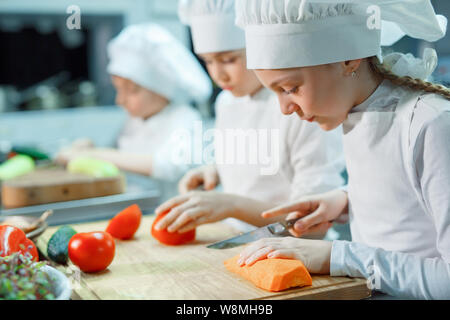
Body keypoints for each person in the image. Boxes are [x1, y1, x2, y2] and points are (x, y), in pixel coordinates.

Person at [234, 0, 450, 299]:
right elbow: (412, 202)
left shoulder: (432, 124)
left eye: (290, 88)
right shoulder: (353, 110)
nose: (284, 109)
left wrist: (337, 257)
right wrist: (347, 201)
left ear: (348, 60)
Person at [154, 0, 345, 236]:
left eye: (229, 59)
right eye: (207, 61)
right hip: (238, 238)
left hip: (298, 252)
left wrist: (232, 205)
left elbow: (313, 227)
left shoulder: (303, 108)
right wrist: (216, 170)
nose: (218, 75)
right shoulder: (227, 101)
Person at [56, 23, 212, 183]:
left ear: (160, 91)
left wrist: (95, 154)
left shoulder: (185, 119)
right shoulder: (135, 121)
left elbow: (167, 166)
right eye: (118, 90)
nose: (120, 100)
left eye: (131, 91)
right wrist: (89, 147)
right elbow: (116, 153)